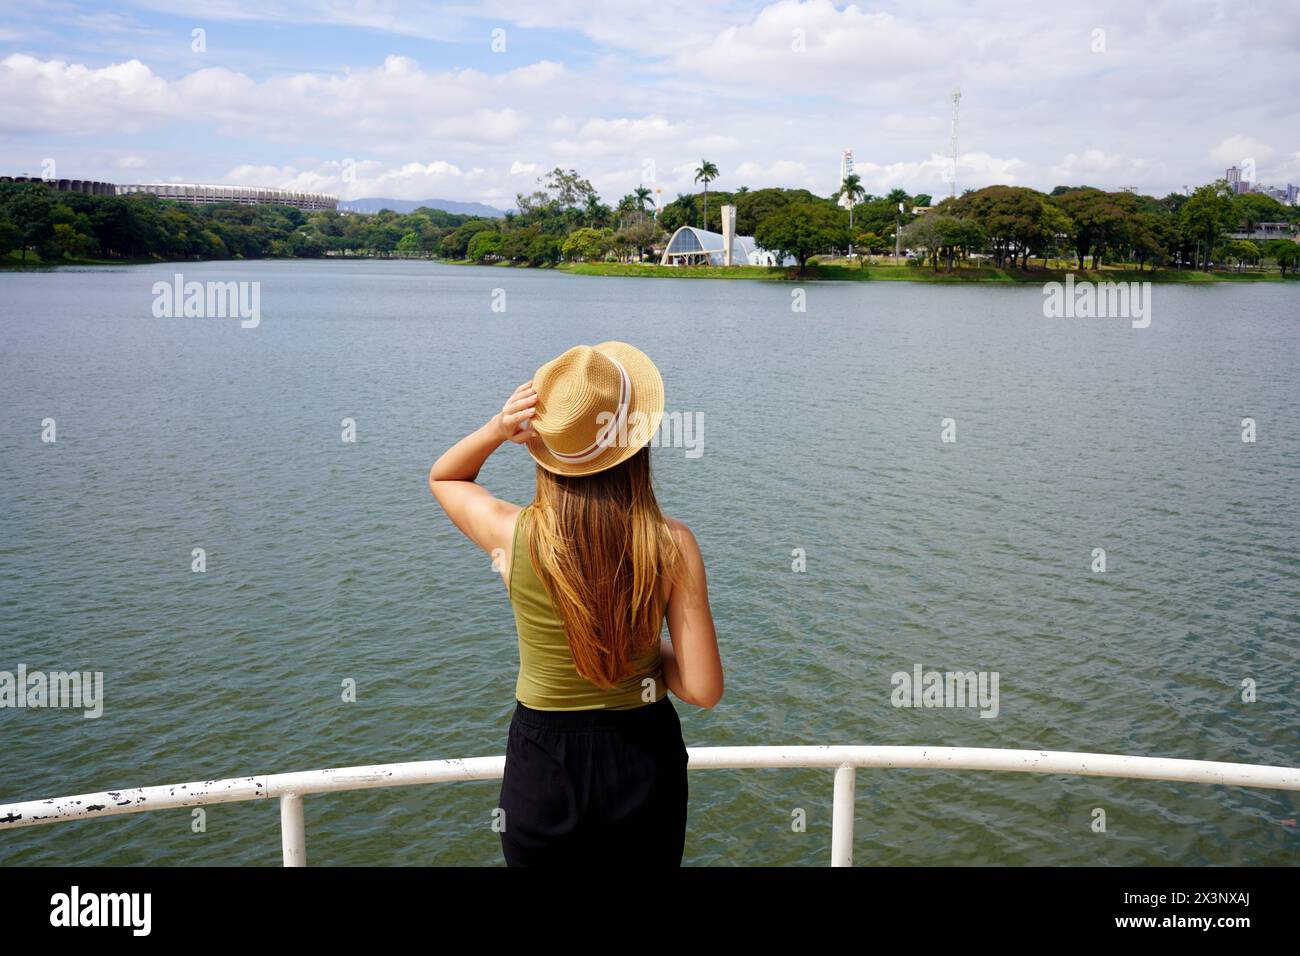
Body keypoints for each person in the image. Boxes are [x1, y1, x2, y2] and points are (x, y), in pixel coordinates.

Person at [428, 341, 723, 866]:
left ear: (546, 446)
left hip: (543, 767)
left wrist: (498, 428)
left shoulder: (512, 535)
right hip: (643, 763)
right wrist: (633, 637)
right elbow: (702, 689)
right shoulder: (672, 543)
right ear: (636, 443)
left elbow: (446, 476)